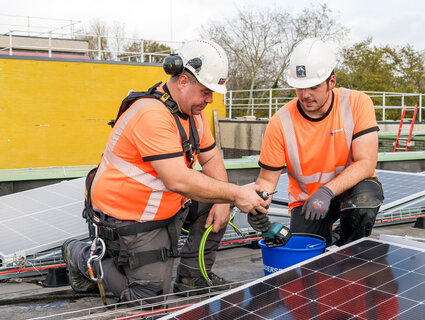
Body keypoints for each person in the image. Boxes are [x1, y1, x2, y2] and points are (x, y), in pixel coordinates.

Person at [62, 39, 267, 303]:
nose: (209, 99)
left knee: (220, 197)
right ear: (183, 81)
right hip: (130, 217)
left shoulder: (192, 113)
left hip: (164, 205)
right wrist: (236, 194)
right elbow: (177, 178)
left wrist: (223, 200)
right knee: (148, 299)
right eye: (206, 92)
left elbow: (212, 156)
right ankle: (79, 254)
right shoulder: (152, 115)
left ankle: (192, 276)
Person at [250, 38, 384, 247]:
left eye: (313, 87)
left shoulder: (356, 103)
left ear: (331, 82)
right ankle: (333, 243)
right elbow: (267, 180)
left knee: (364, 200)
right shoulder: (281, 122)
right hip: (307, 201)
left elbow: (366, 163)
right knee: (306, 252)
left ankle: (349, 253)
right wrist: (257, 205)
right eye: (299, 87)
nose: (305, 95)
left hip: (349, 190)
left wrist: (327, 191)